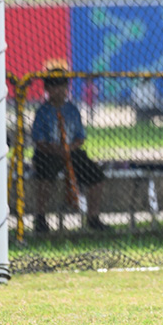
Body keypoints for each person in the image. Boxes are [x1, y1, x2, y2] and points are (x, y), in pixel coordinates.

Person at [32, 71, 107, 232]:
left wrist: (69, 149)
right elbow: (39, 141)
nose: (58, 91)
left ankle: (93, 217)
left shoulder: (72, 110)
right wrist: (56, 149)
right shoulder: (42, 112)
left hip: (71, 151)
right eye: (54, 87)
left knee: (96, 176)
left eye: (62, 87)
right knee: (45, 175)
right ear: (47, 90)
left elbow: (80, 137)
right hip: (49, 153)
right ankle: (40, 217)